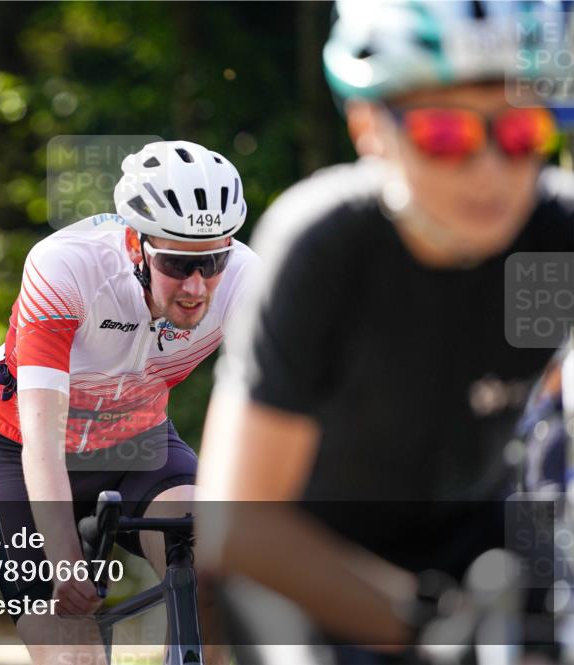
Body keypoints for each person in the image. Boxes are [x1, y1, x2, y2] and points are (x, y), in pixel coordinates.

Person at [196, 0, 574, 658]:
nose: (490, 171)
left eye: (520, 133)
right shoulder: (326, 244)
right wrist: (427, 629)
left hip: (476, 540)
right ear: (370, 126)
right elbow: (238, 523)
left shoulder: (554, 239)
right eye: (445, 136)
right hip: (307, 555)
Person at [0, 140, 259, 664]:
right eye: (176, 262)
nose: (197, 286)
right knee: (71, 650)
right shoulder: (65, 268)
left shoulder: (247, 279)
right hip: (24, 453)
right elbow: (41, 440)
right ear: (135, 244)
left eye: (214, 258)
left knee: (213, 577)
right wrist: (65, 565)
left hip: (140, 445)